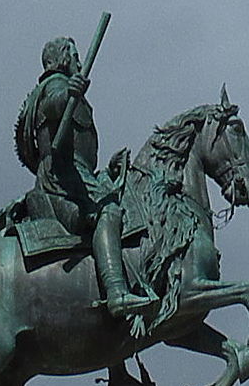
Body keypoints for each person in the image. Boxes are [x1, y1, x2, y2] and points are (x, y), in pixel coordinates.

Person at [16, 37, 154, 324]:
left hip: (78, 179)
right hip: (62, 184)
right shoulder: (54, 86)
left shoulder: (61, 88)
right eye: (75, 57)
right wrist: (69, 91)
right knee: (110, 212)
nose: (79, 63)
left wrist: (106, 172)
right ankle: (117, 293)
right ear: (65, 60)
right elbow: (54, 105)